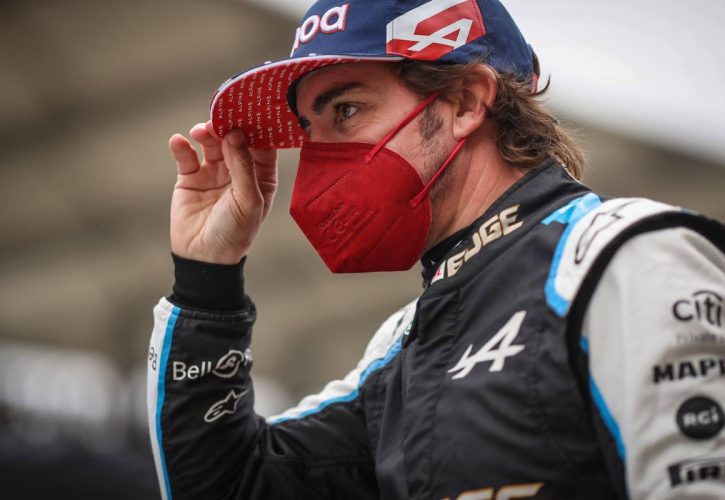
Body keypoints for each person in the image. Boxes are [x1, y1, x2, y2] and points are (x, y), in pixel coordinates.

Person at [146, 0, 725, 498]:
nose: (318, 159)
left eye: (345, 111)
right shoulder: (399, 348)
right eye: (308, 129)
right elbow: (229, 486)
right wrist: (206, 278)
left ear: (467, 101)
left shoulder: (623, 257)